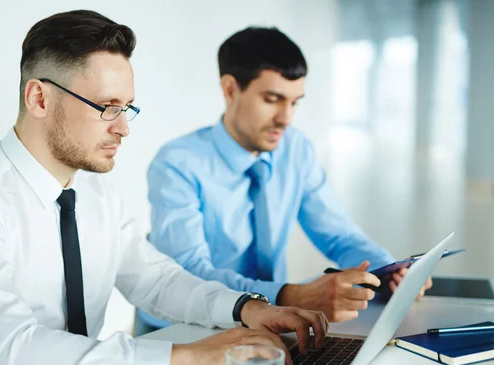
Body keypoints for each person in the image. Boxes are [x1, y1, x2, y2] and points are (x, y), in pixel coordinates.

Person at [0, 11, 328, 365]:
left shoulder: (93, 193)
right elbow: (12, 356)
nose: (124, 128)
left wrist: (246, 308)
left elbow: (157, 280)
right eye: (107, 107)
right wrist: (187, 357)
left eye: (126, 107)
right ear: (39, 99)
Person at [139, 27, 432, 334]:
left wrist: (385, 271)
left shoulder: (295, 149)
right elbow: (191, 275)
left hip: (269, 323)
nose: (286, 118)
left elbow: (339, 236)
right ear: (230, 89)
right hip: (186, 327)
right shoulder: (176, 163)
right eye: (272, 99)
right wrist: (290, 295)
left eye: (294, 102)